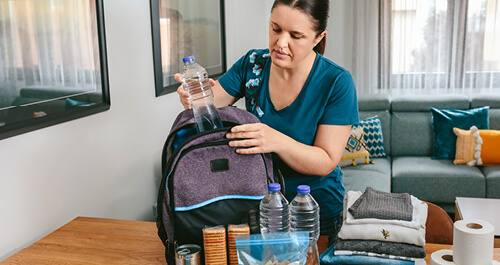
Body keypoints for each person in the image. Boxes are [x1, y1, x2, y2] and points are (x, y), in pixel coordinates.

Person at [175, 0, 358, 243]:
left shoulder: (336, 82)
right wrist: (192, 98)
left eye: (296, 35)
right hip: (260, 210)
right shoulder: (253, 64)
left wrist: (275, 140)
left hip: (314, 212)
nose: (281, 43)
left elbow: (325, 160)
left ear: (318, 37)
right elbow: (207, 106)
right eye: (276, 29)